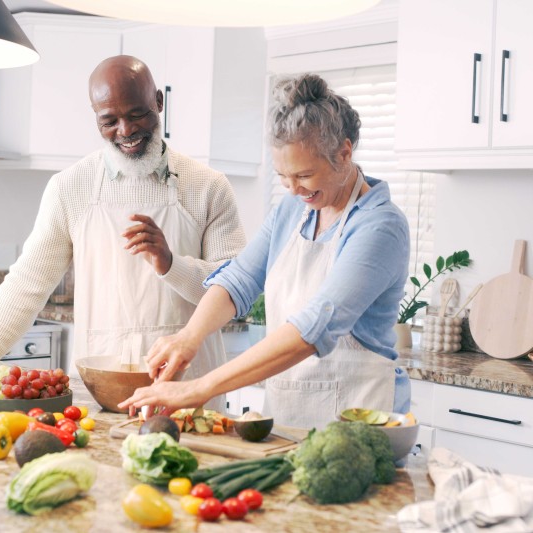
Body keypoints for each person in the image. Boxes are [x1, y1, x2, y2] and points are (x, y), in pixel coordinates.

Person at [0, 55, 246, 411]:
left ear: (159, 103)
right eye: (109, 121)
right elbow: (29, 282)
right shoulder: (71, 187)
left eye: (137, 114)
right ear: (96, 119)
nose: (126, 130)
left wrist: (170, 263)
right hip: (103, 387)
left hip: (191, 388)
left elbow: (235, 293)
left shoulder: (208, 187)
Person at [120, 73, 412, 430]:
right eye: (282, 176)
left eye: (304, 175)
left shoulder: (379, 227)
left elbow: (313, 328)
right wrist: (187, 338)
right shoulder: (295, 209)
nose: (292, 189)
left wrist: (199, 388)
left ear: (344, 153)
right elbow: (240, 280)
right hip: (290, 421)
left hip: (362, 426)